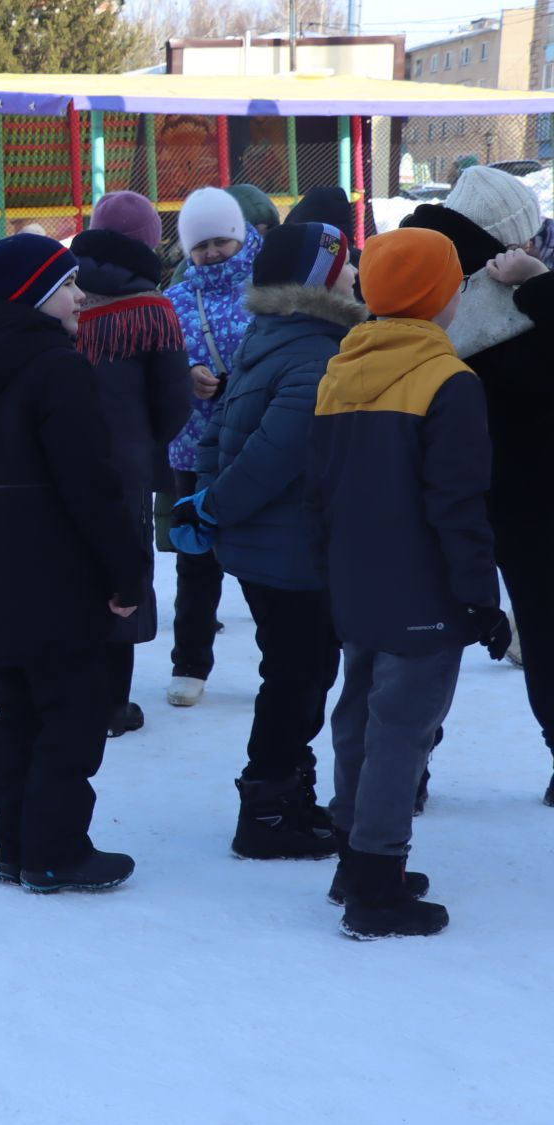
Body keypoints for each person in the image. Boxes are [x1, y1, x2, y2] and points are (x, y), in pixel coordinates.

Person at [306, 226, 503, 940]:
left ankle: (353, 859)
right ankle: (376, 885)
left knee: (359, 715)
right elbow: (457, 504)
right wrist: (481, 596)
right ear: (440, 295)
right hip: (422, 583)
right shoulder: (449, 382)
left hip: (355, 578)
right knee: (402, 732)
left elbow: (320, 487)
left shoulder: (340, 369)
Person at [0, 233, 145, 893]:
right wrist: (127, 571)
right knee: (70, 719)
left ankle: (14, 843)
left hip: (6, 578)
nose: (80, 295)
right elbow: (90, 484)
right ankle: (54, 850)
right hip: (58, 576)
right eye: (66, 285)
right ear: (35, 295)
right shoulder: (58, 369)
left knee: (18, 715)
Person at [185, 221, 361, 860]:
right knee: (297, 677)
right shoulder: (316, 353)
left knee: (300, 671)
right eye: (343, 266)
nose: (354, 274)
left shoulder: (274, 335)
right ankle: (267, 811)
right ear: (317, 279)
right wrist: (214, 506)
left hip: (272, 545)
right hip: (288, 548)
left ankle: (285, 794)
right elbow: (272, 454)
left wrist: (206, 498)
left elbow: (218, 427)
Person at [401, 165, 554, 804]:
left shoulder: (404, 265)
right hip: (529, 493)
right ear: (515, 239)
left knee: (420, 635)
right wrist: (542, 285)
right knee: (545, 624)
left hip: (422, 487)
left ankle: (404, 768)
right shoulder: (517, 293)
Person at [71, 193, 193, 738]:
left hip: (60, 460)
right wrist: (144, 445)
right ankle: (113, 704)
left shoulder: (64, 296)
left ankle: (67, 689)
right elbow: (175, 400)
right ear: (149, 241)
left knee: (70, 565)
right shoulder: (152, 308)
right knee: (122, 570)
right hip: (124, 466)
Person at [163, 187, 259, 708]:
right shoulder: (175, 299)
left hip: (254, 443)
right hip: (194, 448)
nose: (212, 253)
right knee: (194, 558)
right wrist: (186, 375)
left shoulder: (268, 288)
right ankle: (189, 662)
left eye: (221, 240)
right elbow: (159, 363)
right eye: (200, 246)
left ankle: (281, 656)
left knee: (262, 553)